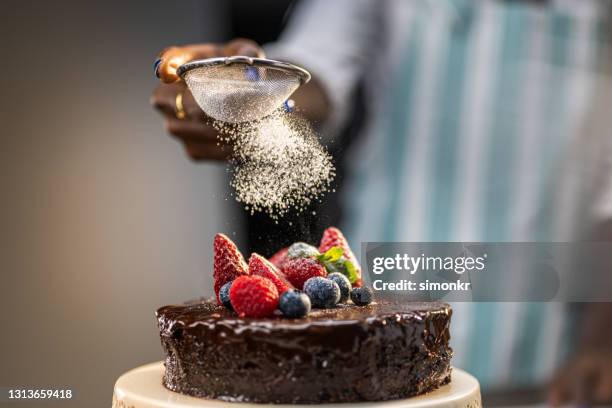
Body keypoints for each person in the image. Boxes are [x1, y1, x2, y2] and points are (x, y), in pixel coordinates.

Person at [152, 0, 612, 404]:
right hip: (373, 327)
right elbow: (318, 70)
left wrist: (604, 335)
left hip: (549, 349)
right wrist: (254, 89)